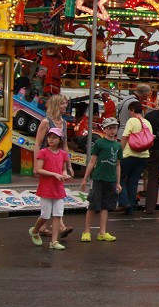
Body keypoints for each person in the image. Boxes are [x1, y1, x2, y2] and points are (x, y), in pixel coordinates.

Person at [34, 94, 74, 238]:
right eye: (63, 104)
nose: (65, 106)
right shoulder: (46, 122)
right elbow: (38, 143)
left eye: (65, 104)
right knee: (48, 192)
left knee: (57, 192)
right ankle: (55, 226)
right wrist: (35, 165)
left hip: (59, 160)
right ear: (56, 105)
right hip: (46, 160)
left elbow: (65, 145)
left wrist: (69, 165)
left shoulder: (63, 122)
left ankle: (49, 227)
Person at [28, 128, 71, 249]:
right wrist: (54, 174)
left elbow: (63, 168)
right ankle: (35, 230)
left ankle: (54, 241)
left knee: (57, 215)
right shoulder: (43, 152)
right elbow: (38, 169)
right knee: (45, 215)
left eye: (54, 137)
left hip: (58, 189)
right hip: (46, 189)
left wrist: (64, 174)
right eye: (50, 137)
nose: (51, 139)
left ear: (60, 140)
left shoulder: (63, 154)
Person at [80, 118, 122, 242]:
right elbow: (92, 161)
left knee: (106, 206)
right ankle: (87, 231)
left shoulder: (118, 145)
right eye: (109, 128)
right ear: (104, 129)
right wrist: (85, 178)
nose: (112, 131)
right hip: (98, 178)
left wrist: (118, 182)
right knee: (93, 205)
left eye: (114, 128)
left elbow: (118, 164)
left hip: (111, 179)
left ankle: (102, 231)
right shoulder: (99, 143)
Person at [119, 101, 153, 215]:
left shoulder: (132, 120)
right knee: (133, 181)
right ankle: (132, 205)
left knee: (120, 178)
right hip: (143, 156)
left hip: (129, 154)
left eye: (130, 111)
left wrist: (120, 152)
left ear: (132, 110)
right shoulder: (147, 123)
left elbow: (124, 138)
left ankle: (125, 202)